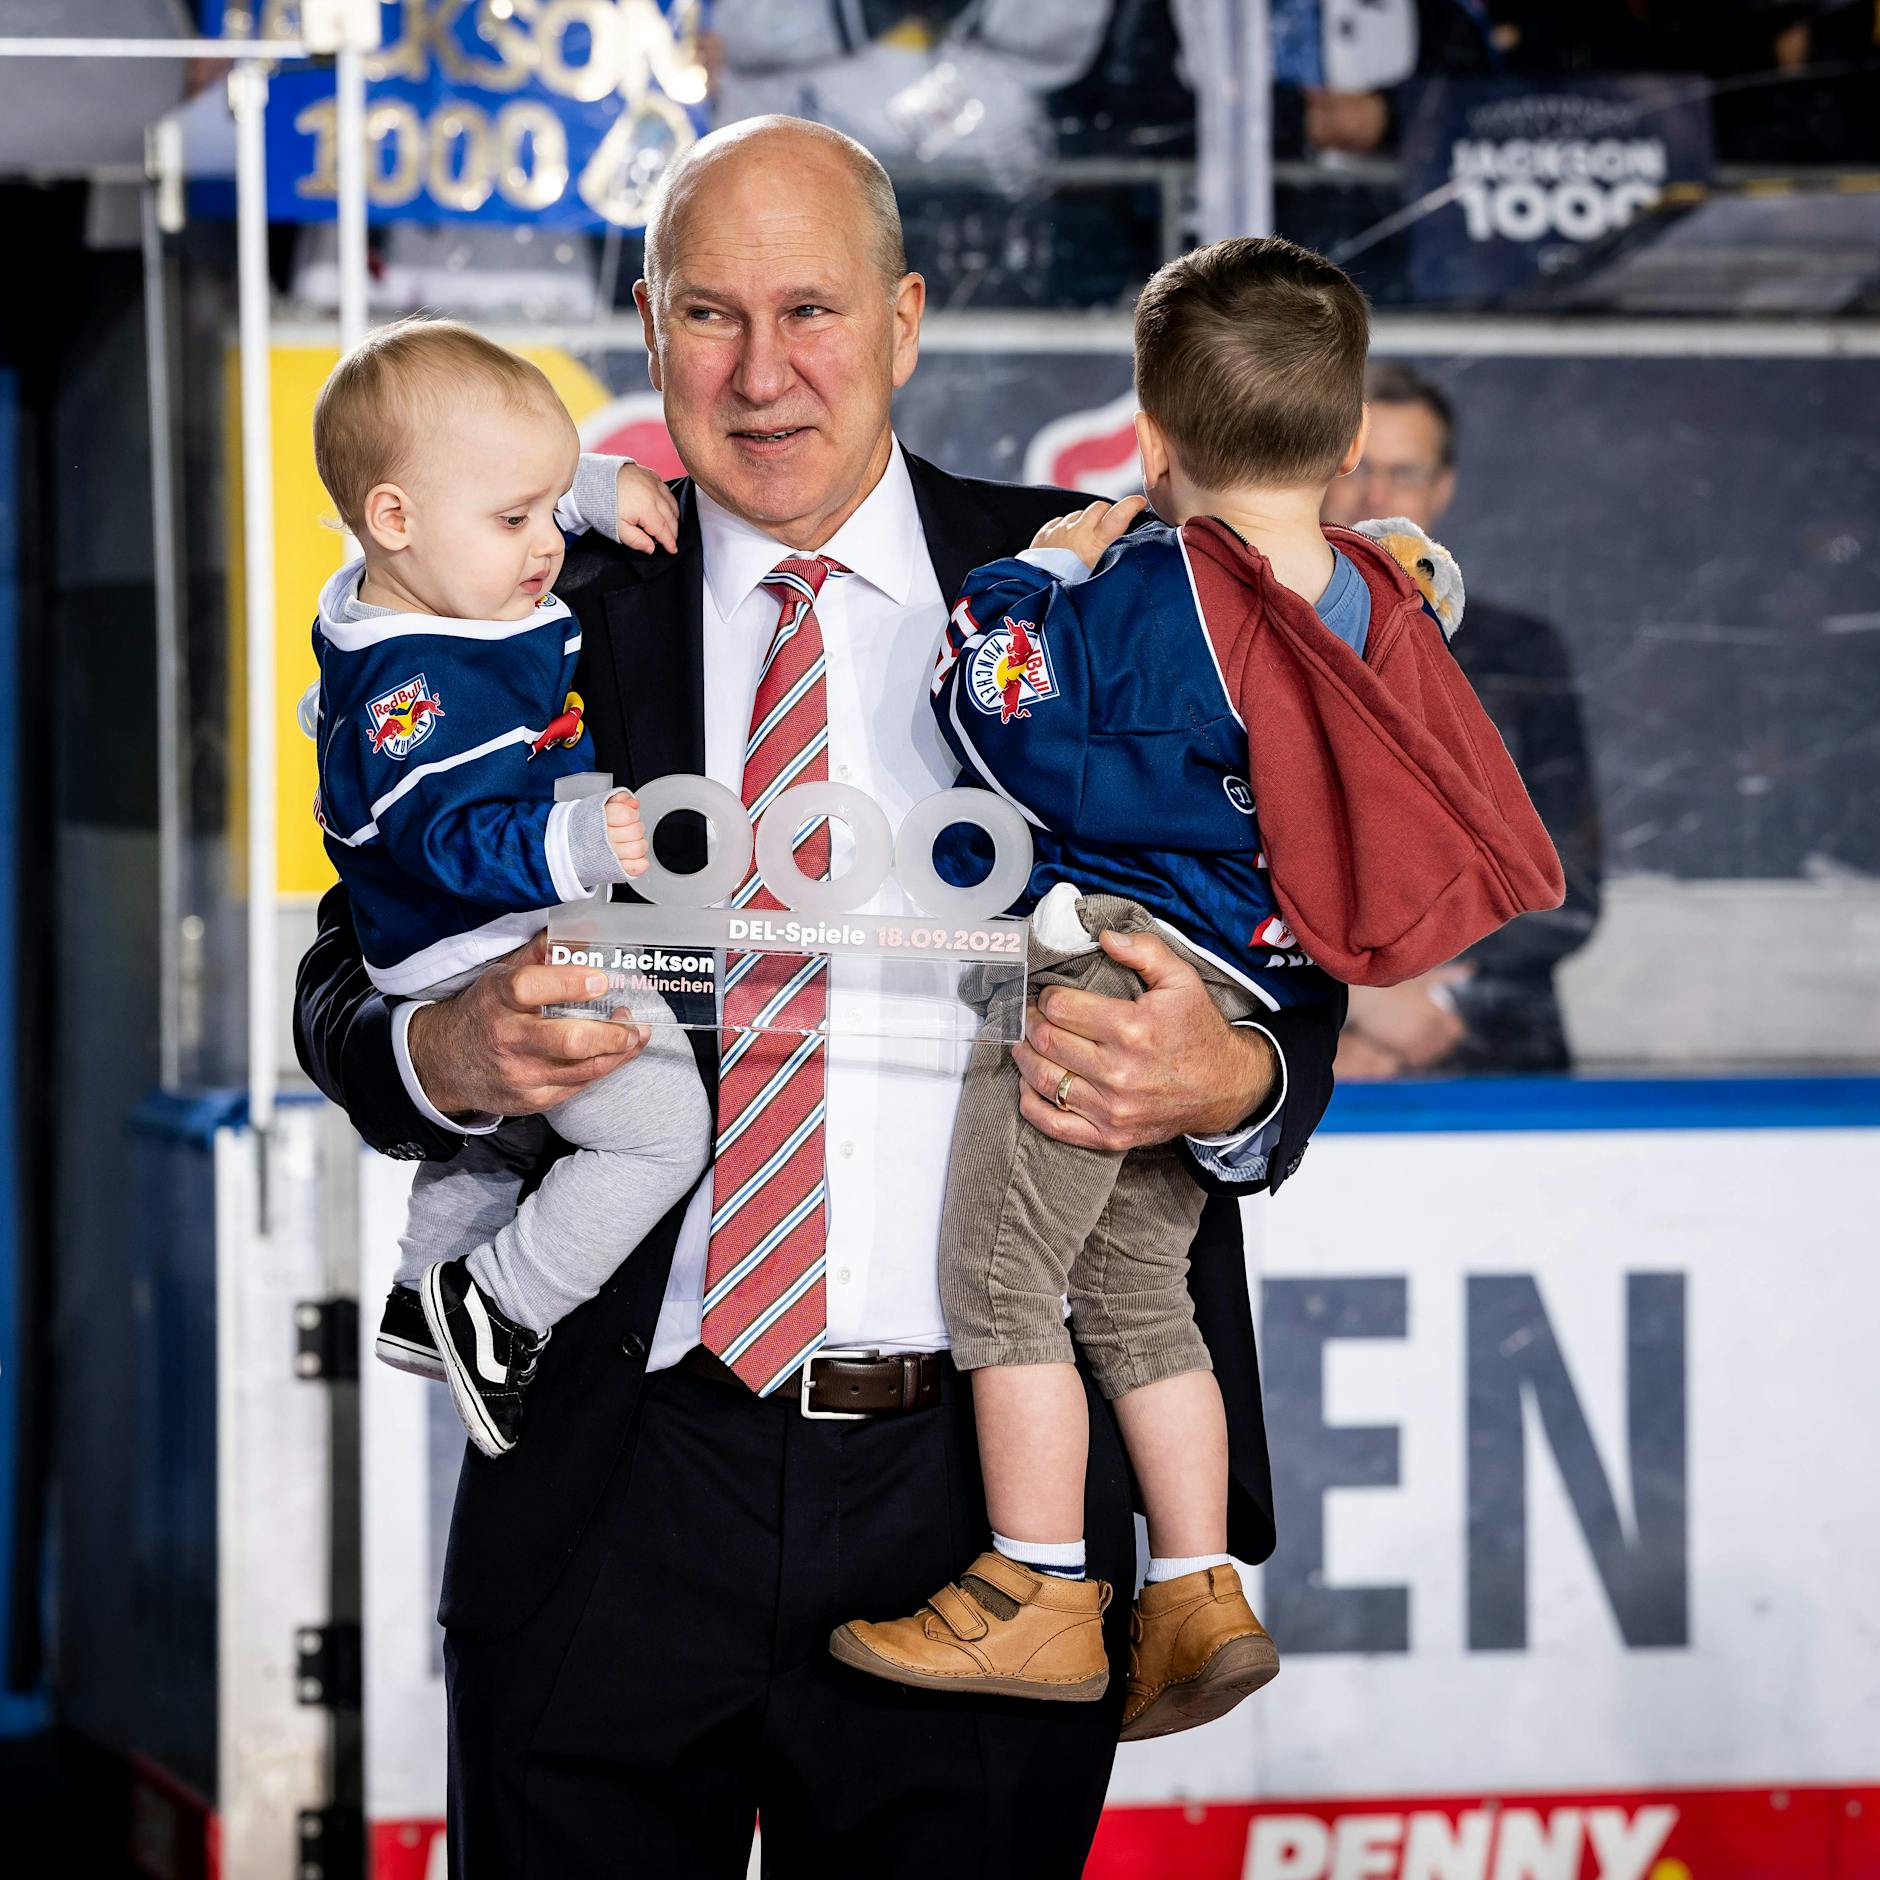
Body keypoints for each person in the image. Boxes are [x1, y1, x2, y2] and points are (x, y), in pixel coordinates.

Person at [294, 116, 1341, 1877]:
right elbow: (354, 964)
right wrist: (446, 1045)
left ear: (908, 320)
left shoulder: (1095, 581)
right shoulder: (539, 595)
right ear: (648, 333)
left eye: (812, 310)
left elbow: (1286, 958)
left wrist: (1226, 1074)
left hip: (991, 1511)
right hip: (622, 1473)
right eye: (709, 316)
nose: (762, 372)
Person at [306, 317, 712, 1459]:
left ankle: (418, 1289)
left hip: (467, 933)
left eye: (546, 511)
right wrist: (570, 842)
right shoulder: (418, 690)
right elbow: (444, 834)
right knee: (656, 1131)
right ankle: (495, 1304)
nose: (545, 544)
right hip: (483, 937)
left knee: (496, 1141)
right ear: (395, 518)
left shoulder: (412, 575)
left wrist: (583, 485)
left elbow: (473, 495)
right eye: (516, 520)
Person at [1322, 362, 1603, 1075]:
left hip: (1495, 1055)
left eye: (1404, 473)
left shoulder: (1520, 652)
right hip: (1297, 1052)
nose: (1376, 496)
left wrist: (1425, 1006)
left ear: (1441, 488)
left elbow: (1567, 884)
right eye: (1355, 467)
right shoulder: (1238, 635)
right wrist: (1344, 1005)